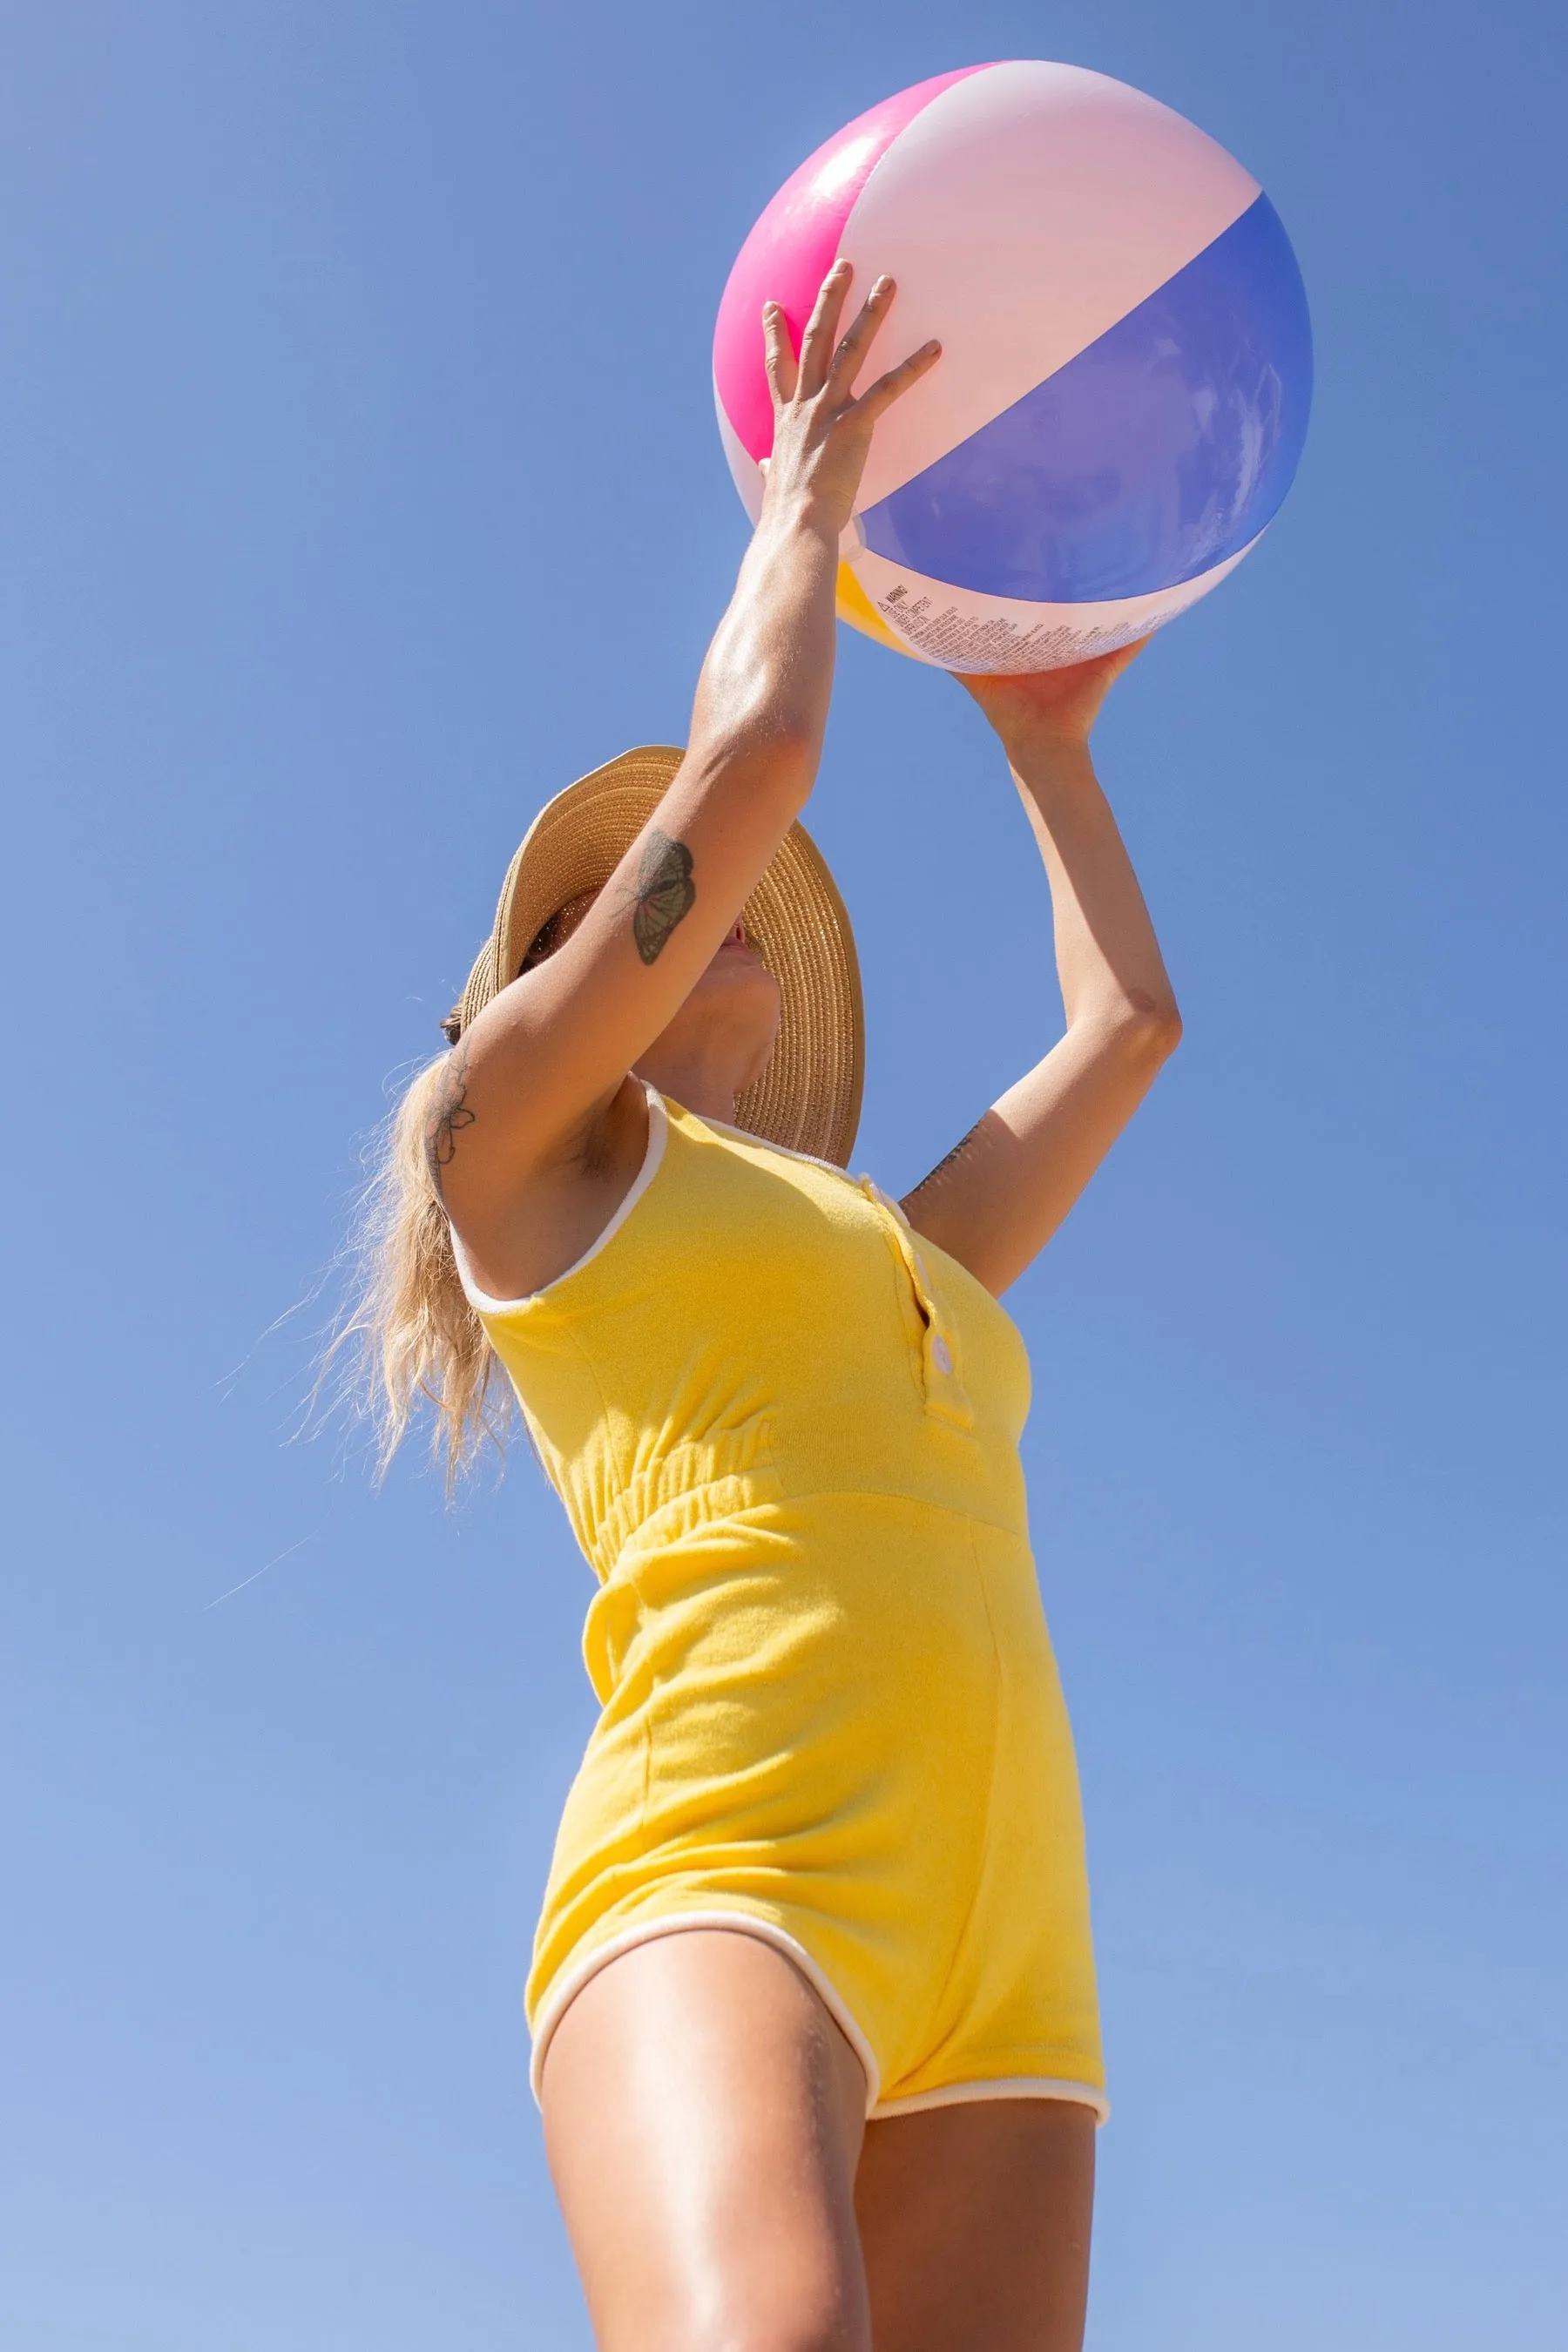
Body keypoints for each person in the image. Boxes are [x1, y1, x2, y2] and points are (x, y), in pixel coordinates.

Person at [345, 260, 1180, 2351]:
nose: (697, 900)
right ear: (538, 978)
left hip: (1014, 1927)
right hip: (734, 1859)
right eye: (620, 897)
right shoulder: (503, 1156)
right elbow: (767, 748)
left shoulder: (893, 1246)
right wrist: (802, 509)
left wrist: (1045, 738)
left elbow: (1132, 1023)